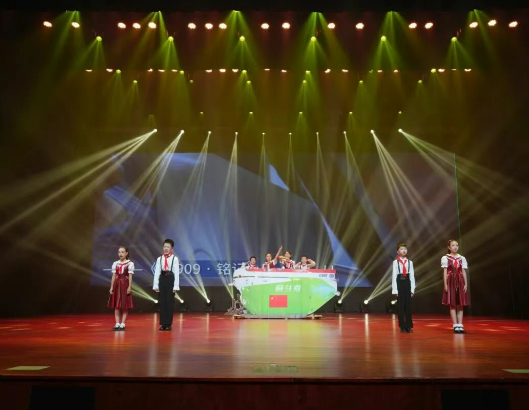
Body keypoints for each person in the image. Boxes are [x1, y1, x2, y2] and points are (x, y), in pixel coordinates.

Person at [442, 239, 469, 334]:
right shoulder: (446, 258)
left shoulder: (462, 258)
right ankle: (455, 325)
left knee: (460, 304)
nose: (455, 247)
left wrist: (465, 283)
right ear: (449, 247)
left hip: (460, 281)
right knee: (452, 304)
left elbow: (463, 271)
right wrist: (445, 284)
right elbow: (445, 271)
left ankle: (460, 325)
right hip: (451, 281)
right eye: (453, 245)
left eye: (457, 245)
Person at [153, 239, 180, 331]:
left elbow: (176, 273)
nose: (166, 248)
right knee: (162, 303)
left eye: (168, 247)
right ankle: (163, 324)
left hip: (170, 279)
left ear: (171, 249)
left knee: (169, 302)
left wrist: (175, 286)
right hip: (162, 279)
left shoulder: (174, 259)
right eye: (164, 246)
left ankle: (168, 323)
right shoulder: (159, 259)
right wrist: (156, 285)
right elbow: (157, 272)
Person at [391, 242, 416, 333]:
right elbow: (394, 276)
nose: (404, 250)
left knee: (408, 306)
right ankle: (402, 326)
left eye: (405, 249)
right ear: (398, 251)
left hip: (407, 283)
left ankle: (408, 326)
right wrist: (395, 290)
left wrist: (412, 289)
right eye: (401, 249)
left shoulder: (410, 262)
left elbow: (412, 276)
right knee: (401, 306)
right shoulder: (395, 262)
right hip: (399, 283)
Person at [108, 246, 134, 331]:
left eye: (122, 252)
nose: (120, 254)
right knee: (117, 306)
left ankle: (123, 323)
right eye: (119, 252)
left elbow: (130, 276)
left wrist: (129, 287)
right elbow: (113, 276)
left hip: (125, 285)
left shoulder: (130, 263)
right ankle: (117, 323)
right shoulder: (115, 263)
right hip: (117, 284)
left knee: (124, 305)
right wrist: (112, 287)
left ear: (126, 253)